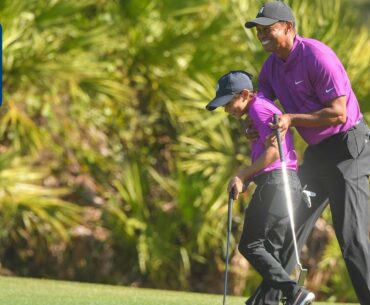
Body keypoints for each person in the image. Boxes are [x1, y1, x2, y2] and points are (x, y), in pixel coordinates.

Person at [243, 1, 370, 305]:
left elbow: (338, 113)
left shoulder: (317, 56)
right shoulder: (271, 67)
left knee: (351, 238)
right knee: (291, 227)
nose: (262, 34)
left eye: (268, 28)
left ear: (287, 27)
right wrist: (254, 127)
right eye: (259, 29)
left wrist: (291, 118)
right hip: (317, 154)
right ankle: (267, 302)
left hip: (348, 149)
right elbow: (263, 107)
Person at [206, 71, 315, 305]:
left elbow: (275, 153)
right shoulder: (258, 111)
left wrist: (242, 174)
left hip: (277, 184)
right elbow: (268, 153)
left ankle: (294, 292)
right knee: (271, 251)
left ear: (245, 94)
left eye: (228, 102)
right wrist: (248, 179)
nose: (226, 109)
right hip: (286, 185)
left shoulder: (258, 109)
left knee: (250, 244)